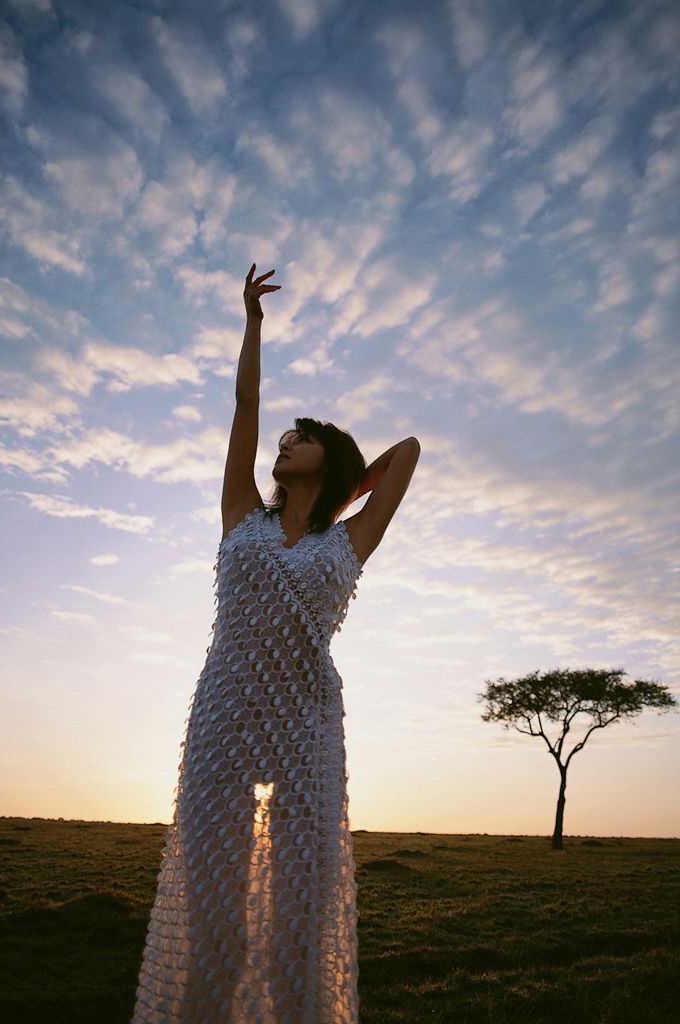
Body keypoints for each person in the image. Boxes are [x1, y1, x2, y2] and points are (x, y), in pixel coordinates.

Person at [131, 265, 420, 1024]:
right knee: (216, 934)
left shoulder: (349, 540)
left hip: (306, 725)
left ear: (330, 460)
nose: (282, 444)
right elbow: (247, 404)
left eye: (302, 440)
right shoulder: (240, 517)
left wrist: (346, 488)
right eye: (284, 440)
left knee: (299, 935)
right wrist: (252, 326)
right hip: (224, 718)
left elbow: (410, 451)